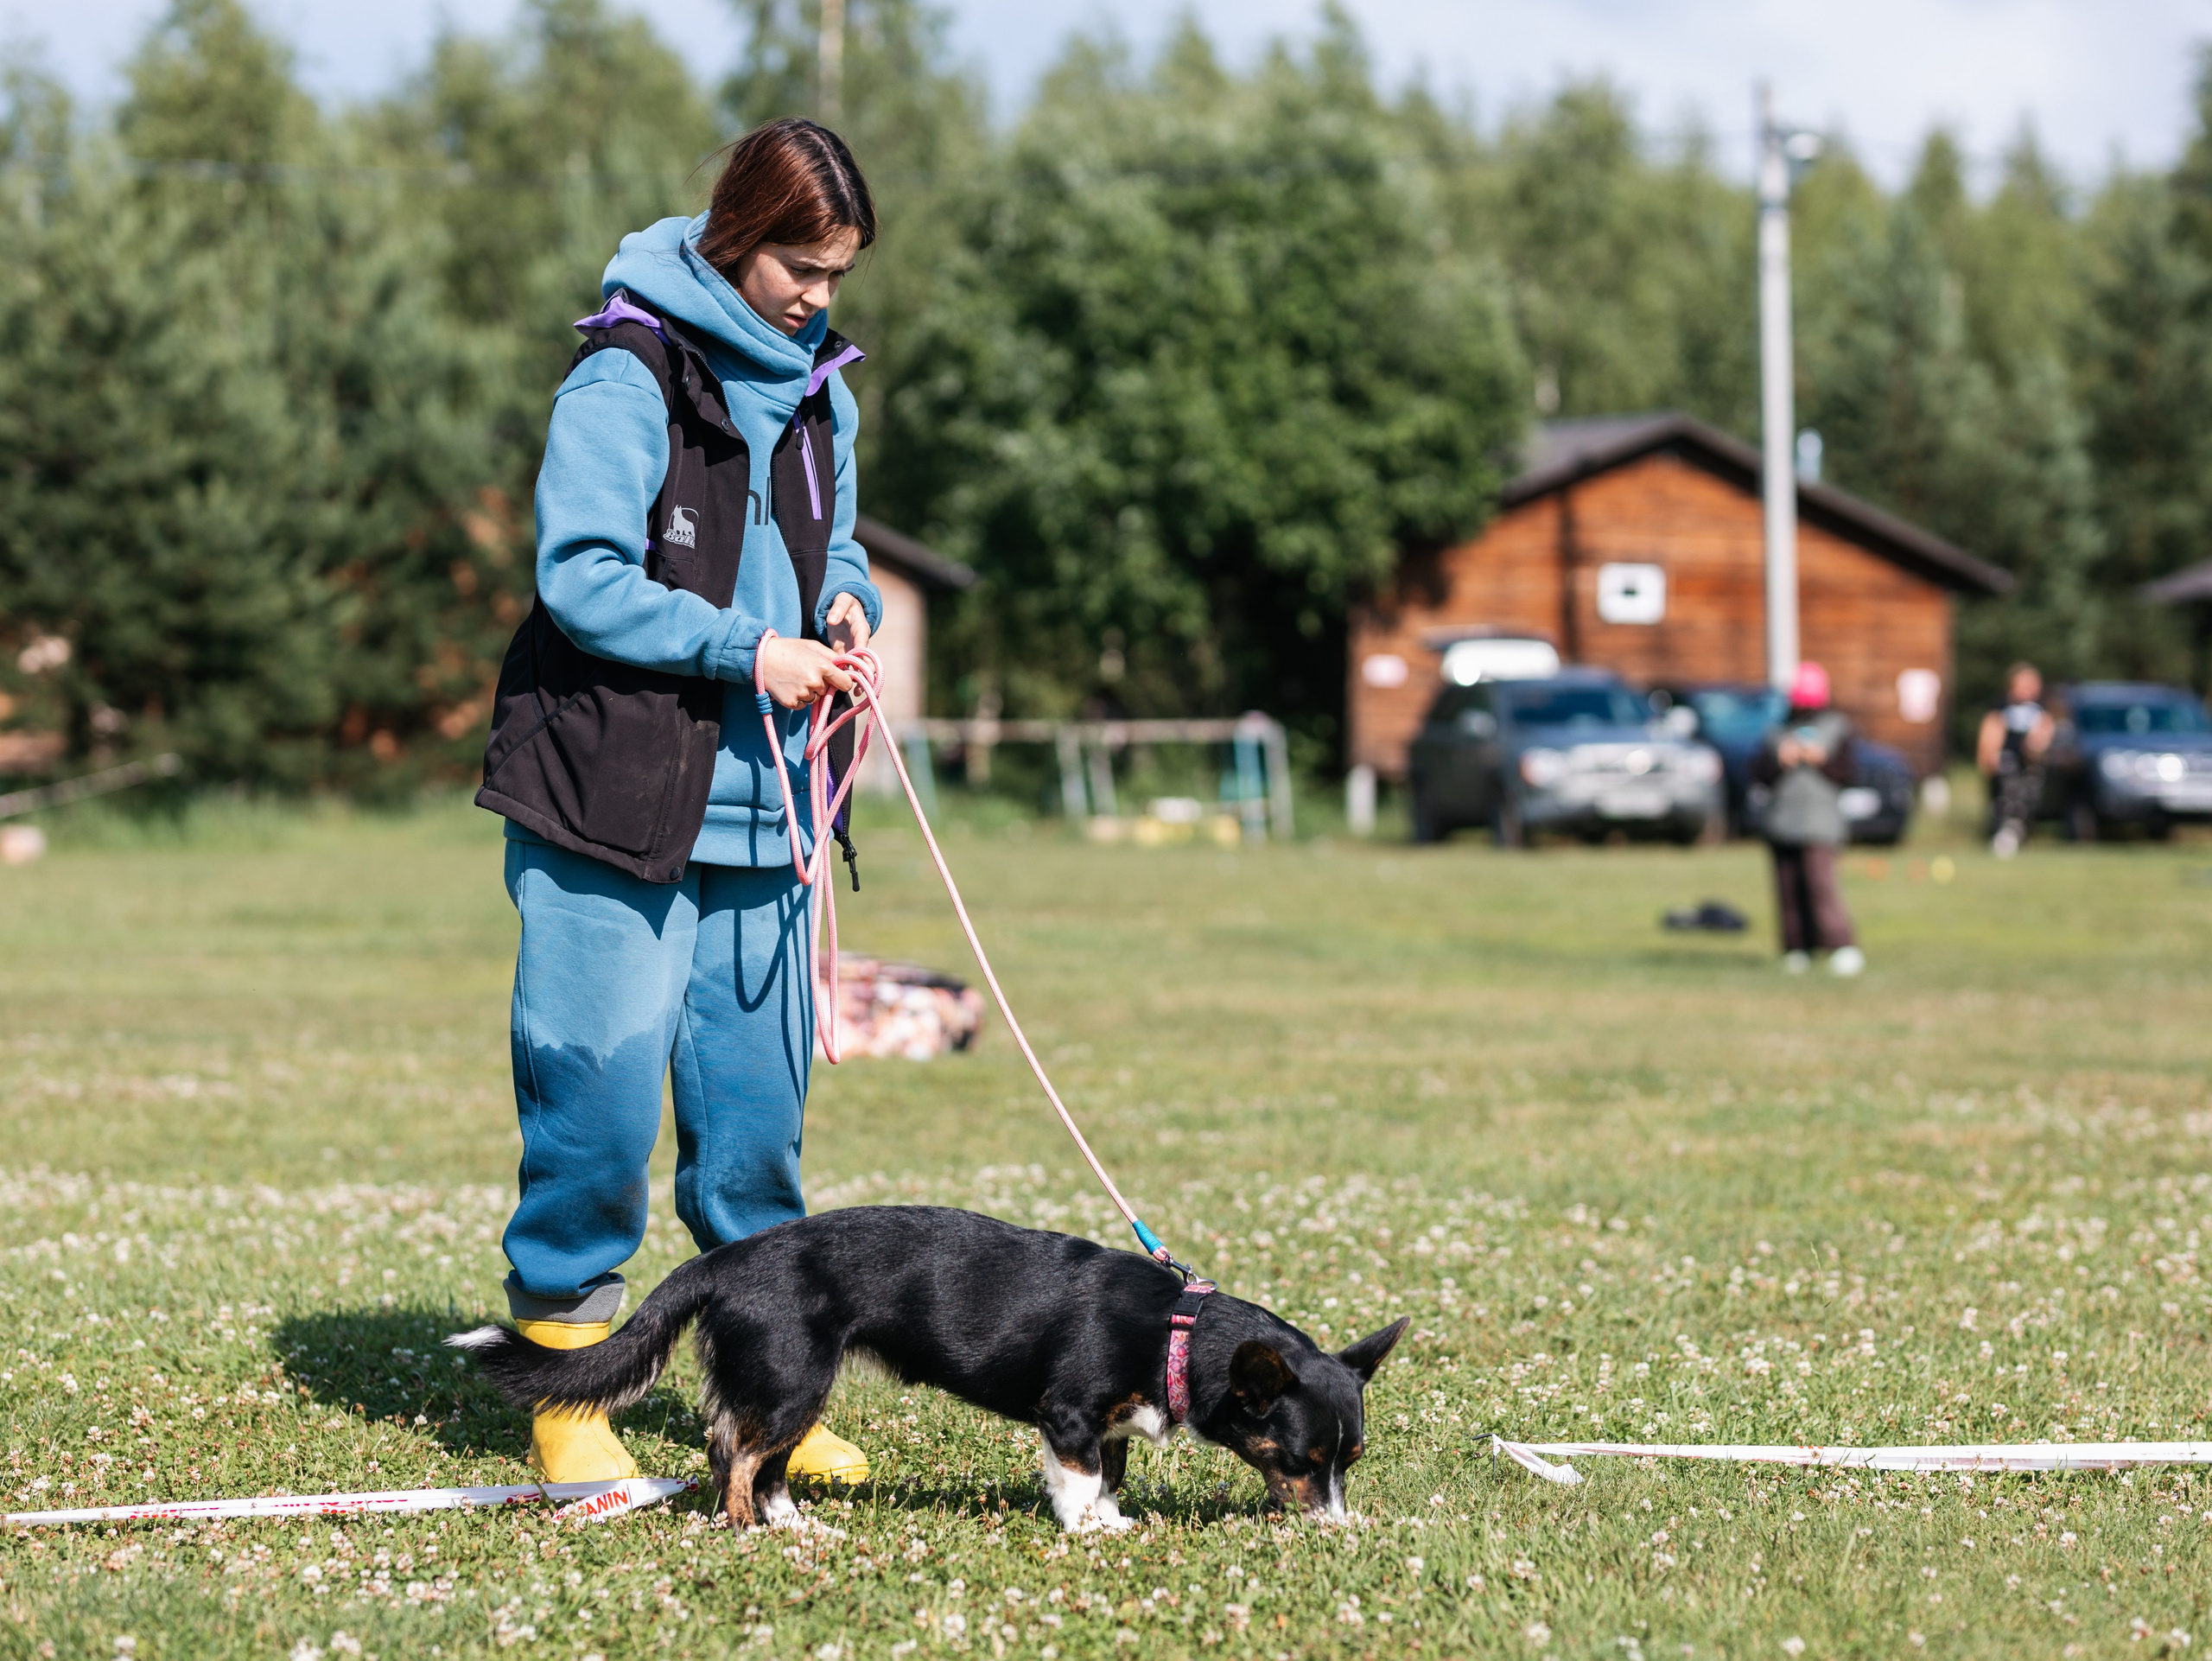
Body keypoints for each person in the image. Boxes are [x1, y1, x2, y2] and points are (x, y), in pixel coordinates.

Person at [472, 119, 882, 1484]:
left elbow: (842, 542)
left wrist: (846, 604)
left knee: (756, 1130)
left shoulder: (828, 390)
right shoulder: (625, 371)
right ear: (736, 231)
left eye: (838, 273)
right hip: (614, 793)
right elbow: (580, 575)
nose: (820, 295)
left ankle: (768, 1394)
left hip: (771, 806)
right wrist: (743, 645)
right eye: (800, 264)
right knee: (594, 1100)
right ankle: (570, 1387)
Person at [1751, 661, 1864, 977]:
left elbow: (1849, 773)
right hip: (1782, 822)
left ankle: (1841, 946)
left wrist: (1820, 760)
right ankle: (1797, 949)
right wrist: (1779, 759)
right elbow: (1757, 774)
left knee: (1820, 886)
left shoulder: (1837, 728)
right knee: (1788, 890)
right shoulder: (1776, 733)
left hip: (1820, 824)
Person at [1977, 662, 2054, 858]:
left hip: (2030, 764)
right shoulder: (2002, 706)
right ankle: (2003, 834)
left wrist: (2037, 744)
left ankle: (2021, 834)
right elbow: (1990, 734)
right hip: (2007, 762)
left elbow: (2045, 734)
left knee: (2029, 798)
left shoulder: (2040, 709)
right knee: (2006, 798)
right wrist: (1989, 755)